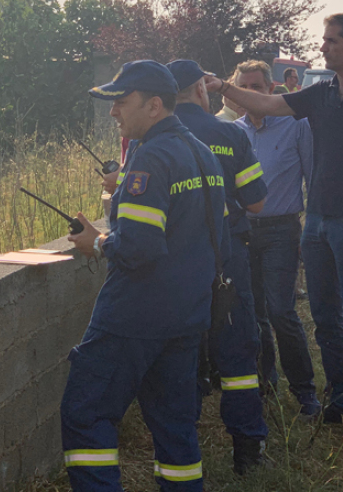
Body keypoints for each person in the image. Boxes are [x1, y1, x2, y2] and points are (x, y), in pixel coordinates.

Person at [204, 13, 343, 452]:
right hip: (318, 224)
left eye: (331, 41)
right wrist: (223, 87)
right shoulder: (319, 94)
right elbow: (267, 105)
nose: (322, 47)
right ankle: (340, 402)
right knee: (325, 320)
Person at [62, 60, 226, 492]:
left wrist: (96, 243)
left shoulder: (150, 158)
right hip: (188, 315)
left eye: (122, 101)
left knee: (87, 413)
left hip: (135, 316)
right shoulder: (201, 153)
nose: (114, 112)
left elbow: (138, 249)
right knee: (175, 425)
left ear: (154, 105)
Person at [167, 59, 270, 473]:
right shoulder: (231, 134)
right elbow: (257, 201)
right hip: (227, 256)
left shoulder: (153, 141)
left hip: (175, 264)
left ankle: (181, 442)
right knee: (237, 354)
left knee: (183, 351)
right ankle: (247, 451)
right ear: (201, 90)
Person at [231, 60, 320, 417]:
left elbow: (313, 179)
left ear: (271, 90)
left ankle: (305, 392)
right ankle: (264, 385)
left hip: (282, 230)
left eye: (256, 86)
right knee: (252, 314)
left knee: (281, 310)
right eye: (243, 87)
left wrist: (310, 230)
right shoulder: (233, 133)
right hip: (242, 232)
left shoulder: (296, 126)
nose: (249, 94)